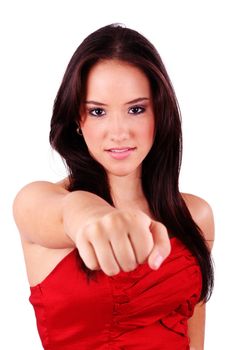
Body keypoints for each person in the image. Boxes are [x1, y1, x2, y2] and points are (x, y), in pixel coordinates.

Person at [13, 23, 214, 349]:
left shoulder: (196, 215)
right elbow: (69, 213)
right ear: (78, 120)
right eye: (98, 111)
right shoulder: (36, 200)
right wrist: (92, 216)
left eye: (136, 109)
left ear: (159, 113)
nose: (119, 132)